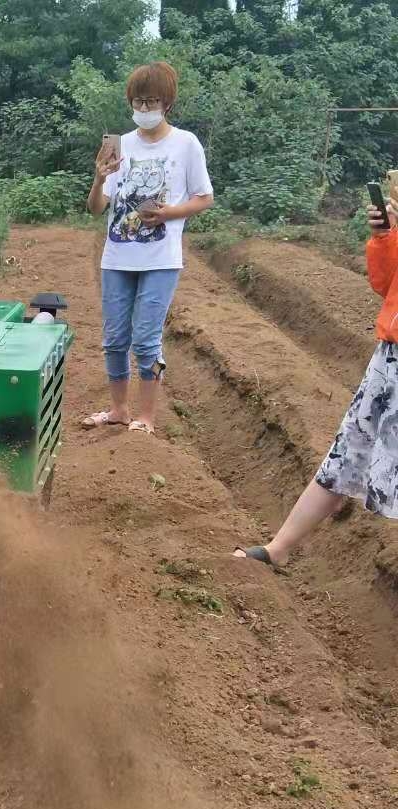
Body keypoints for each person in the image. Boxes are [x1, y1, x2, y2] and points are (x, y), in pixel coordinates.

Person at [235, 196, 398, 569]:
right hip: (390, 357)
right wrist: (386, 237)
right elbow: (388, 285)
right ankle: (279, 548)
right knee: (346, 453)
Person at [83, 61, 214, 435]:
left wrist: (170, 213)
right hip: (117, 257)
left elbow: (204, 198)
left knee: (145, 338)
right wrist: (99, 178)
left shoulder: (185, 144)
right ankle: (118, 410)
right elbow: (96, 209)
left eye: (151, 101)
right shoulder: (121, 145)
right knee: (114, 339)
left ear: (167, 103)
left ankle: (147, 418)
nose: (144, 110)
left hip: (160, 259)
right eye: (138, 102)